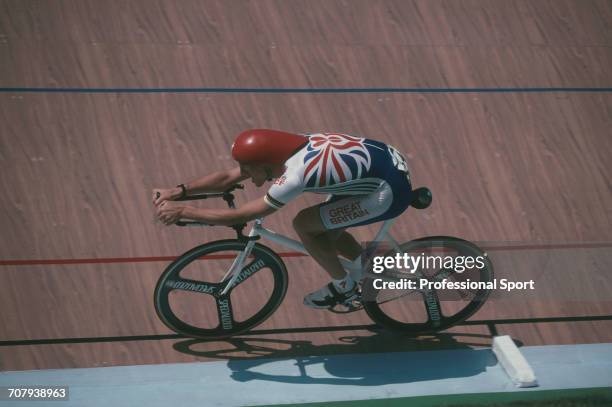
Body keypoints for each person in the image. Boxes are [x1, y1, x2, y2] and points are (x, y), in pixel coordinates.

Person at [153, 129, 413, 309]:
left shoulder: (296, 175)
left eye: (253, 173)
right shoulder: (287, 148)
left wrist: (185, 211)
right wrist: (178, 192)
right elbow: (228, 177)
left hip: (386, 192)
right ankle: (365, 269)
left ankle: (343, 286)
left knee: (305, 225)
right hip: (380, 166)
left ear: (268, 164)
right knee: (323, 227)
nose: (252, 180)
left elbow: (245, 214)